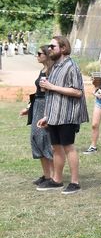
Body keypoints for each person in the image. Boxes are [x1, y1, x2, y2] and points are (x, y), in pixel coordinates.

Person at [36, 36, 89, 194]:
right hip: (55, 115)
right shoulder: (55, 67)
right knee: (56, 148)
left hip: (67, 114)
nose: (49, 49)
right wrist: (47, 116)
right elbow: (51, 94)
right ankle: (57, 180)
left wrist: (52, 86)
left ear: (63, 48)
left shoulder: (71, 66)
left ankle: (75, 182)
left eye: (52, 46)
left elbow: (78, 91)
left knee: (68, 148)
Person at [20, 44, 54, 186]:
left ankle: (53, 176)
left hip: (46, 105)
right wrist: (29, 107)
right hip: (37, 104)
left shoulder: (52, 71)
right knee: (35, 138)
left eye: (39, 54)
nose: (37, 56)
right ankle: (46, 175)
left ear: (46, 55)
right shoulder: (43, 70)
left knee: (45, 139)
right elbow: (38, 92)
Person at [83, 58, 101, 154]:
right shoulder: (99, 74)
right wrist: (96, 94)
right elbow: (96, 89)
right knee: (94, 124)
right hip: (100, 100)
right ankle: (93, 146)